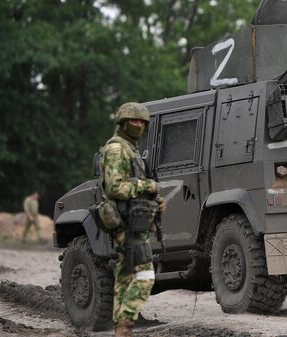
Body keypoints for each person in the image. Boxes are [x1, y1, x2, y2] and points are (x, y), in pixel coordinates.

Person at [100, 102, 165, 337]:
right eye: (133, 121)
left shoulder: (131, 149)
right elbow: (115, 187)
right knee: (145, 276)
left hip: (135, 222)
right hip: (127, 224)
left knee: (126, 275)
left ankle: (122, 330)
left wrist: (155, 199)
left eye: (142, 122)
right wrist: (147, 185)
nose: (138, 125)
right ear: (122, 123)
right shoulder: (117, 149)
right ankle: (125, 325)